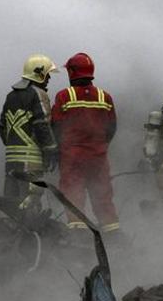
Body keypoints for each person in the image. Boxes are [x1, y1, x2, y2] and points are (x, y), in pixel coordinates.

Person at [51, 52, 120, 233]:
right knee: (102, 195)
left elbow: (56, 126)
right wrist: (99, 147)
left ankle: (78, 234)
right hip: (98, 157)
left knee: (73, 193)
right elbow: (112, 128)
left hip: (72, 157)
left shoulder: (64, 96)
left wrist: (59, 149)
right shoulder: (105, 97)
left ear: (72, 72)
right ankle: (113, 234)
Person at [0, 54, 59, 210]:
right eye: (47, 75)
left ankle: (8, 233)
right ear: (39, 74)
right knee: (30, 202)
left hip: (11, 160)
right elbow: (42, 124)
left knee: (10, 203)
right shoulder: (38, 94)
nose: (49, 79)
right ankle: (29, 233)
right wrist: (51, 150)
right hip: (30, 161)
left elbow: (1, 125)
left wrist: (13, 144)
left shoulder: (10, 96)